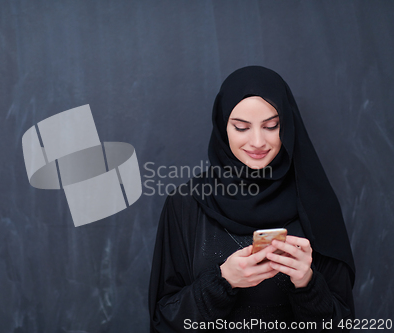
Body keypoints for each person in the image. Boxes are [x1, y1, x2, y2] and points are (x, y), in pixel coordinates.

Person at [148, 66, 355, 332]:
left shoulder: (316, 203)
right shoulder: (187, 203)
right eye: (241, 127)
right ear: (223, 128)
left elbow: (343, 324)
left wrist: (307, 283)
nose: (258, 141)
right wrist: (223, 281)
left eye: (271, 126)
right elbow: (164, 320)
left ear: (288, 126)